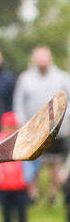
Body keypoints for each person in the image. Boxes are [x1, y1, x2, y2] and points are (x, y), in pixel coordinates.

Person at [13, 46, 70, 205]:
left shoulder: (62, 77)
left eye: (44, 57)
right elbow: (19, 103)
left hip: (59, 128)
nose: (42, 61)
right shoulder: (25, 78)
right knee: (33, 161)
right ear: (34, 59)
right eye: (39, 58)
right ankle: (33, 195)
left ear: (50, 58)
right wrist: (22, 124)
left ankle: (53, 195)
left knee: (56, 163)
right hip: (34, 129)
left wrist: (64, 119)